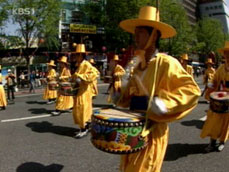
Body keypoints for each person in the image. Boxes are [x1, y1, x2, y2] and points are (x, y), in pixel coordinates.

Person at [116, 6, 200, 172]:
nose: (135, 36)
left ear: (153, 36)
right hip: (132, 129)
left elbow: (192, 90)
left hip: (152, 131)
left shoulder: (167, 62)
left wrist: (164, 103)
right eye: (135, 32)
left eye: (140, 32)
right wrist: (120, 93)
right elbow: (127, 97)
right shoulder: (137, 64)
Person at [200, 41, 229, 152]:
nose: (227, 55)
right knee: (214, 121)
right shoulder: (221, 68)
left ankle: (222, 142)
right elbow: (215, 79)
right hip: (219, 98)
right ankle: (212, 142)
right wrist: (211, 83)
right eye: (226, 53)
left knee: (226, 124)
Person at [71, 44, 99, 138]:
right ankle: (83, 127)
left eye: (77, 55)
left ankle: (84, 129)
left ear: (81, 55)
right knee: (79, 110)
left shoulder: (86, 64)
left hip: (84, 91)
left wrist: (82, 78)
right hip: (80, 90)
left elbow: (95, 73)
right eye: (76, 55)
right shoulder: (80, 65)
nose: (76, 57)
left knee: (83, 110)